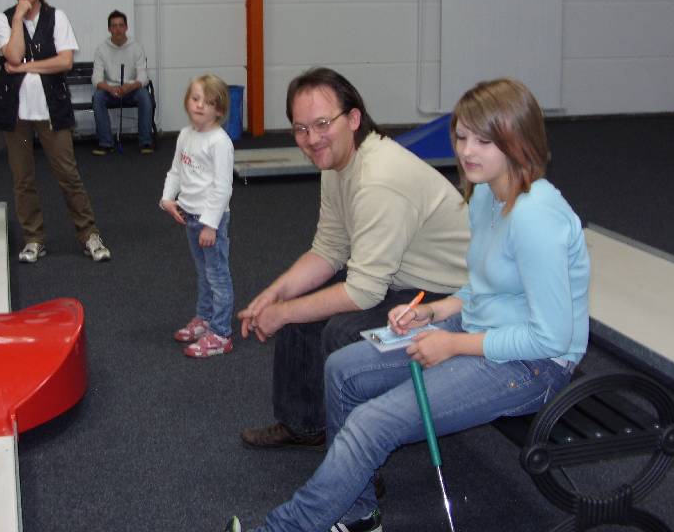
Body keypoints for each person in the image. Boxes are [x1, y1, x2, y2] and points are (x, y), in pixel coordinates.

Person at [225, 77, 591, 532]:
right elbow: (483, 288)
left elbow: (550, 339)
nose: (467, 152)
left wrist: (452, 345)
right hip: (476, 328)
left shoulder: (536, 218)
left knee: (372, 423)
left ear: (519, 142)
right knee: (342, 372)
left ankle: (282, 528)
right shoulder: (484, 195)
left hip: (531, 366)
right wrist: (434, 312)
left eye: (484, 141)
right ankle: (359, 515)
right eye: (461, 137)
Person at [237, 68, 469, 449]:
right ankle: (304, 425)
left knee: (340, 333)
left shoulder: (379, 179)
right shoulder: (336, 164)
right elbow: (328, 249)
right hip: (398, 277)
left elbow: (363, 292)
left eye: (322, 124)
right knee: (298, 308)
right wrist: (275, 294)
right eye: (301, 129)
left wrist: (284, 312)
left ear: (354, 119)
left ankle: (356, 454)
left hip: (448, 295)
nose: (312, 139)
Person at [0, 0, 111, 264]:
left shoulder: (57, 17)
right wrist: (18, 18)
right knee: (23, 178)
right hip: (16, 116)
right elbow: (14, 54)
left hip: (51, 112)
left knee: (68, 174)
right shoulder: (3, 20)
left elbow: (64, 62)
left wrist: (26, 68)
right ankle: (33, 238)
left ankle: (89, 234)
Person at [160, 74, 235, 358]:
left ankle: (221, 333)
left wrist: (210, 225)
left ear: (219, 110)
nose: (200, 105)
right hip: (189, 216)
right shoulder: (185, 135)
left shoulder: (219, 142)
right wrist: (167, 199)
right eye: (195, 98)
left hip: (210, 221)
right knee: (203, 273)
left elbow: (222, 188)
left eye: (209, 102)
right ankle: (204, 318)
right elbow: (176, 171)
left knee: (217, 276)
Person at [91, 9, 155, 155]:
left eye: (121, 25)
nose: (118, 29)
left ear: (126, 27)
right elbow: (96, 79)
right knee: (98, 97)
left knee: (145, 96)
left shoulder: (136, 47)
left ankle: (145, 142)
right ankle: (106, 143)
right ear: (109, 29)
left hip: (131, 90)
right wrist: (110, 89)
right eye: (114, 26)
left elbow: (143, 77)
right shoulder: (101, 49)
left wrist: (130, 86)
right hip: (111, 91)